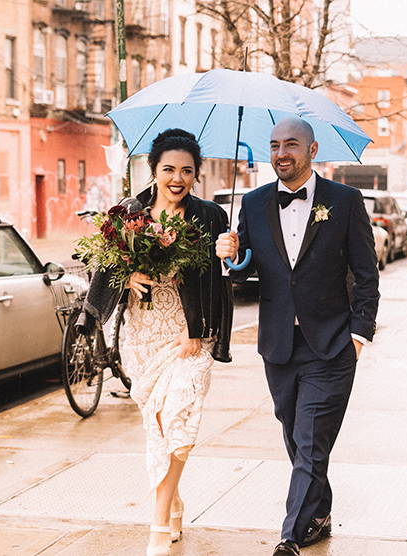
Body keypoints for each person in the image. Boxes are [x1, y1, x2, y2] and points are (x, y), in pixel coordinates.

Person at [215, 116, 380, 556]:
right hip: (278, 346)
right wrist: (229, 256)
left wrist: (359, 335)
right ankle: (319, 511)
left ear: (312, 150)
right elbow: (244, 269)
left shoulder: (344, 201)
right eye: (273, 145)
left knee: (309, 441)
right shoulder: (251, 203)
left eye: (290, 144)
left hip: (332, 344)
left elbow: (367, 274)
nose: (280, 153)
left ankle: (290, 536)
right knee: (295, 435)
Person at [77, 128, 233, 556]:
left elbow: (225, 280)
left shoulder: (210, 217)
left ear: (196, 174)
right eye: (169, 169)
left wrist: (230, 253)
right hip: (144, 337)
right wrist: (126, 276)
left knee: (178, 417)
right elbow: (101, 267)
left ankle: (159, 525)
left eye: (186, 170)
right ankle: (176, 500)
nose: (177, 178)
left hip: (191, 337)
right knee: (159, 425)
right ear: (154, 170)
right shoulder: (129, 214)